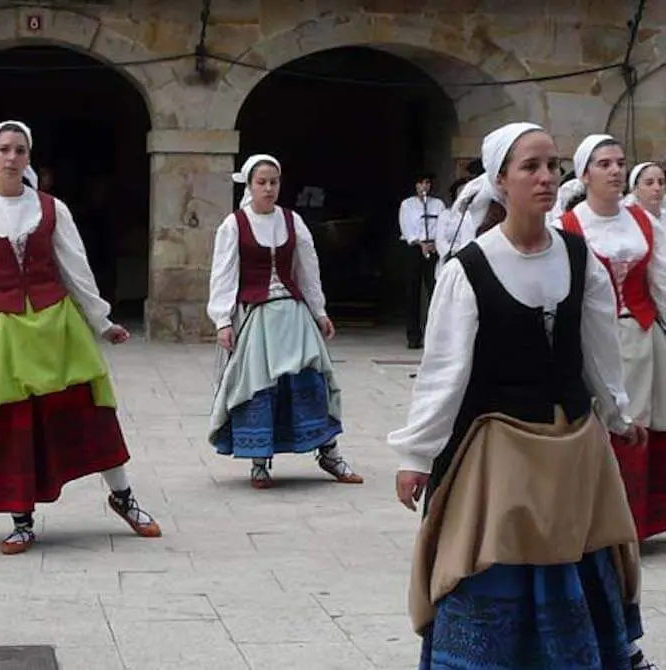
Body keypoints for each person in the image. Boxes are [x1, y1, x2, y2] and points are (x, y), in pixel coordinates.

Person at [389, 122, 653, 670]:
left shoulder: (581, 260)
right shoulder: (469, 269)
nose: (545, 177)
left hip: (575, 444)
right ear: (500, 180)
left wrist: (619, 413)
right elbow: (444, 373)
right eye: (529, 167)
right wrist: (417, 456)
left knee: (583, 553)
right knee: (496, 558)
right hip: (500, 450)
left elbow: (599, 350)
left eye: (552, 166)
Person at [0, 120, 160, 555]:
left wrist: (102, 321)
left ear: (29, 158)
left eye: (20, 150)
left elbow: (76, 269)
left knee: (93, 412)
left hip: (58, 327)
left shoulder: (52, 209)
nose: (12, 158)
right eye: (5, 150)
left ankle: (124, 498)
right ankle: (22, 519)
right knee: (14, 425)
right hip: (4, 332)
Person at [206, 154, 362, 489]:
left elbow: (308, 269)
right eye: (261, 182)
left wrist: (319, 311)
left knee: (312, 381)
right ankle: (259, 461)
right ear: (249, 185)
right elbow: (223, 275)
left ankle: (329, 453)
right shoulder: (234, 224)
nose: (268, 188)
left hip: (293, 314)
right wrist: (222, 320)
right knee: (259, 386)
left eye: (273, 182)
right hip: (257, 318)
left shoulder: (292, 221)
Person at [552, 136, 666, 542]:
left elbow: (661, 282)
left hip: (640, 336)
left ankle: (634, 523)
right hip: (590, 340)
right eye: (604, 164)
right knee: (593, 427)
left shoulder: (641, 222)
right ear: (584, 174)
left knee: (640, 427)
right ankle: (593, 522)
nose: (615, 170)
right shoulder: (567, 226)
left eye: (620, 162)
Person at [398, 173, 446, 348]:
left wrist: (435, 243)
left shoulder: (438, 204)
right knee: (412, 292)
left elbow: (443, 225)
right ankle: (413, 336)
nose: (424, 186)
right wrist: (420, 243)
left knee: (435, 290)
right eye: (421, 183)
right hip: (414, 249)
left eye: (427, 183)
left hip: (433, 248)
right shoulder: (407, 205)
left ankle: (436, 336)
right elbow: (406, 227)